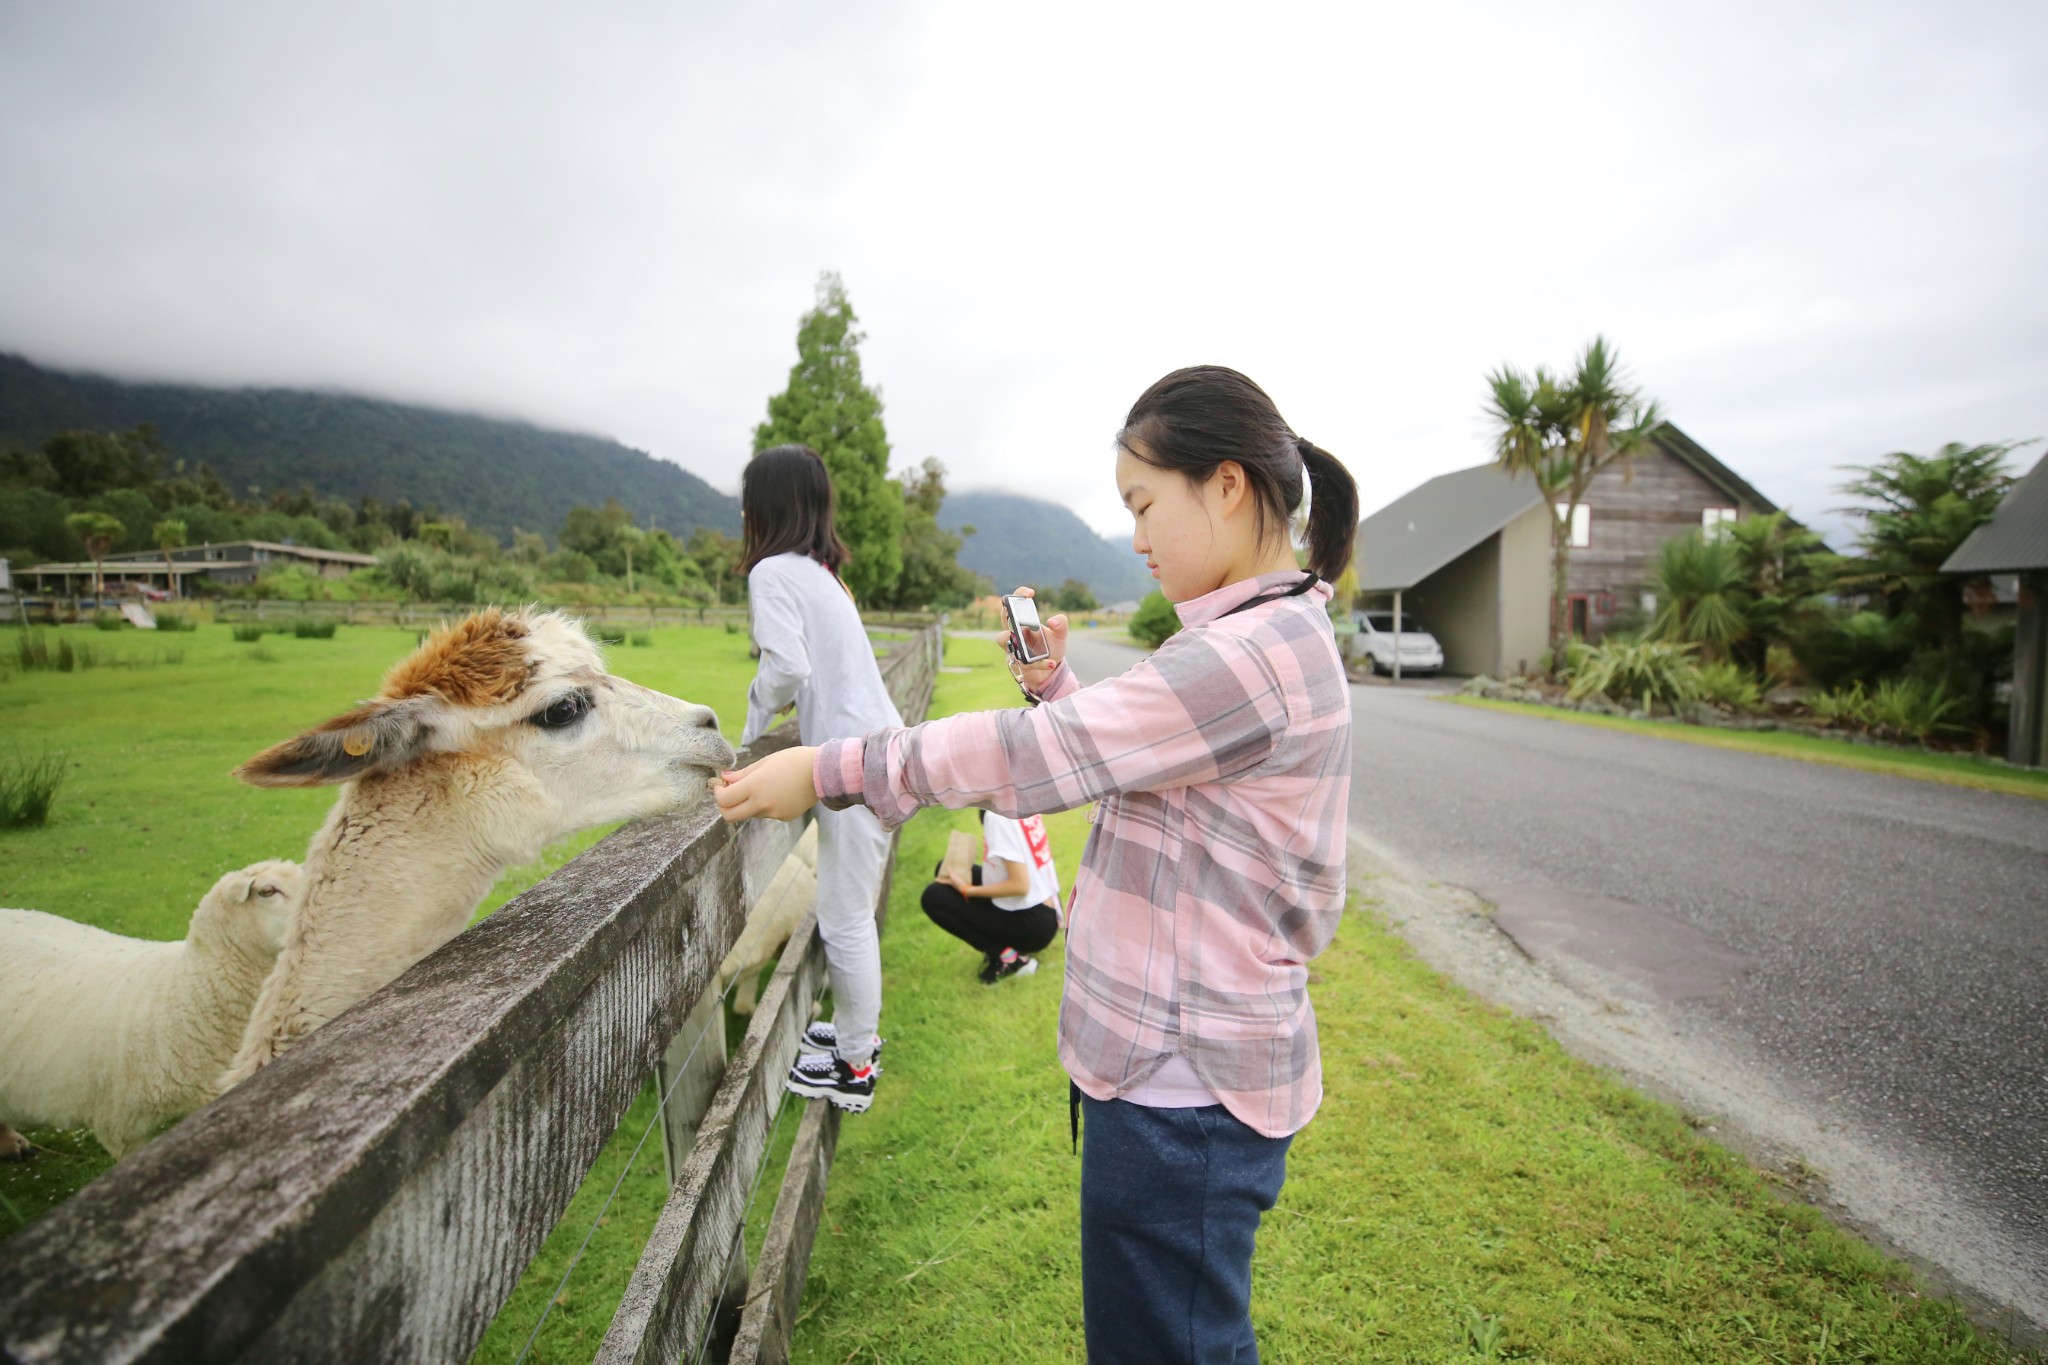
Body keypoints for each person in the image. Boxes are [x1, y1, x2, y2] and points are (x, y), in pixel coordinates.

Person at [716, 366, 1358, 1362]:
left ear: (1226, 486)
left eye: (1144, 505)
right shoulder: (1251, 639)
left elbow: (1032, 761)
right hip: (1169, 1074)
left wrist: (830, 767)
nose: (1136, 538)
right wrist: (1056, 684)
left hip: (1180, 1088)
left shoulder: (1250, 654)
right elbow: (1135, 771)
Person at [739, 443, 901, 1114]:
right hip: (875, 753)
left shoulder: (775, 572)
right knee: (849, 912)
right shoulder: (819, 574)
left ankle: (856, 1065)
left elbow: (786, 668)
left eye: (748, 499)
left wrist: (748, 730)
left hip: (853, 767)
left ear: (766, 506)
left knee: (844, 918)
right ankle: (857, 1037)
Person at [923, 808, 1062, 984]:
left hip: (1033, 924)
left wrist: (967, 889)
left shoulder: (997, 817)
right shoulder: (1014, 798)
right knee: (945, 871)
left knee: (933, 897)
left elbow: (1020, 885)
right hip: (1047, 907)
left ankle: (1011, 959)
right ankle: (1007, 952)